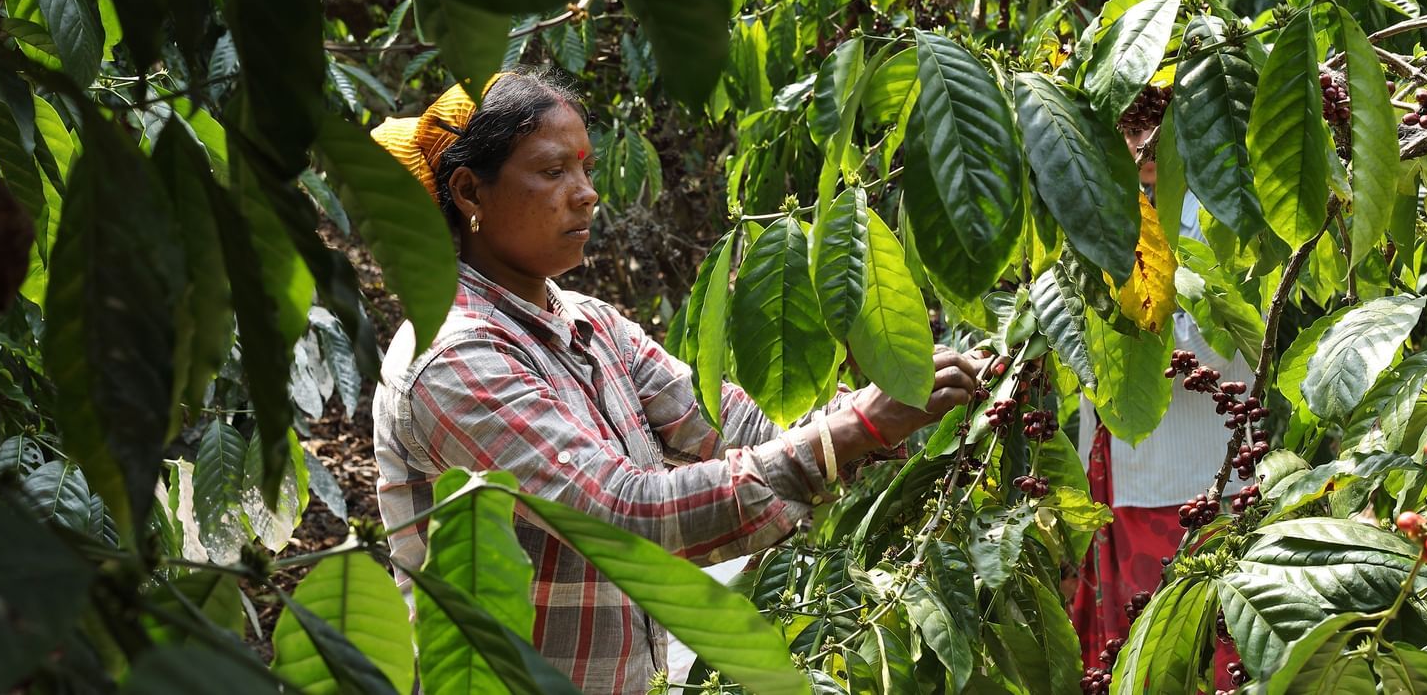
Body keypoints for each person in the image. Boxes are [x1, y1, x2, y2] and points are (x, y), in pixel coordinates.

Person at [369, 70, 986, 693]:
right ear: (471, 192)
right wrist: (853, 430)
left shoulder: (591, 325)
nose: (586, 194)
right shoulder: (451, 358)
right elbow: (623, 516)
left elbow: (738, 428)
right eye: (554, 172)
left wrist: (899, 401)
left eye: (584, 169)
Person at [1068, 122, 1254, 680]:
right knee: (1138, 646)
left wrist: (1109, 335)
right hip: (1128, 473)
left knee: (1201, 643)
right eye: (1126, 127)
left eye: (1154, 121)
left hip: (1193, 476)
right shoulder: (1112, 206)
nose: (1140, 142)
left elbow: (1214, 343)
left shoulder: (1213, 206)